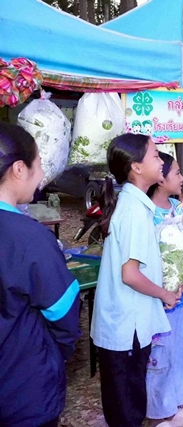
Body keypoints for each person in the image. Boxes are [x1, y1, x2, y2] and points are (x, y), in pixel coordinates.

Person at [90, 134, 182, 427]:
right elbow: (130, 275)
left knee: (128, 401)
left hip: (127, 321)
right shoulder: (133, 210)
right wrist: (164, 294)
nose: (160, 160)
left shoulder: (135, 204)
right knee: (127, 408)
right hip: (125, 325)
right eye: (155, 155)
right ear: (136, 167)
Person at [0, 123, 81, 427]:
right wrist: (57, 352)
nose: (42, 173)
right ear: (19, 169)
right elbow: (62, 311)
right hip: (21, 389)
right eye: (39, 163)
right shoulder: (30, 238)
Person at [145, 152, 183, 427]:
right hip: (159, 301)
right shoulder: (146, 214)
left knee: (181, 352)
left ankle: (173, 405)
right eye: (177, 173)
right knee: (158, 358)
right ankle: (156, 413)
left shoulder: (177, 208)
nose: (182, 178)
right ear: (160, 179)